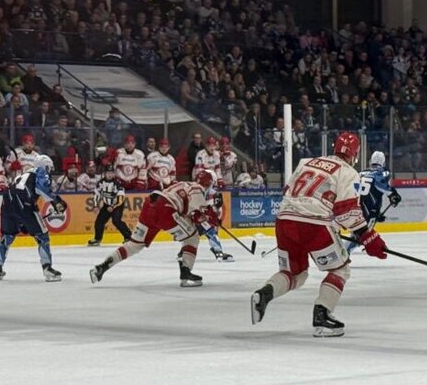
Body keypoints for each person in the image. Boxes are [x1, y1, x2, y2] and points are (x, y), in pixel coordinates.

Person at [250, 132, 388, 337]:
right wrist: (369, 237)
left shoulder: (307, 162)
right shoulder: (347, 171)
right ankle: (322, 316)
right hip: (313, 225)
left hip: (285, 221)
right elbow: (346, 211)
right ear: (355, 154)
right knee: (341, 270)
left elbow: (289, 192)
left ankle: (264, 293)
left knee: (296, 273)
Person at [89, 169, 218, 288]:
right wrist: (215, 218)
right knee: (193, 238)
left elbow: (191, 213)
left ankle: (101, 268)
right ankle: (186, 273)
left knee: (134, 245)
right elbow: (204, 215)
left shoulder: (185, 184)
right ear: (209, 184)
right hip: (166, 210)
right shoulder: (199, 191)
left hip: (150, 205)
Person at [0, 155, 67, 282]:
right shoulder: (40, 172)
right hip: (24, 205)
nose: (50, 171)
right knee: (42, 236)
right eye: (49, 168)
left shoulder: (23, 174)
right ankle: (47, 269)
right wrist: (56, 201)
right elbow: (42, 189)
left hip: (7, 204)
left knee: (7, 235)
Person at [347, 150, 401, 252]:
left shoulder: (361, 173)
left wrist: (377, 213)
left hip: (355, 207)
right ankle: (345, 252)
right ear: (383, 162)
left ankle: (352, 247)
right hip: (369, 211)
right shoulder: (382, 172)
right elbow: (381, 185)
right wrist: (393, 194)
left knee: (358, 232)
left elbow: (360, 190)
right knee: (363, 235)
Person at [88, 166, 131, 246]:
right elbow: (96, 194)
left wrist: (113, 206)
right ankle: (97, 239)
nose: (110, 175)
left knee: (116, 221)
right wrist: (95, 206)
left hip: (117, 205)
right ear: (105, 174)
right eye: (108, 173)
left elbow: (121, 197)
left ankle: (128, 237)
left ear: (114, 174)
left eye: (111, 173)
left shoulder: (117, 183)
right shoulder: (101, 183)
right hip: (106, 205)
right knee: (99, 221)